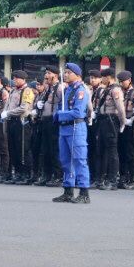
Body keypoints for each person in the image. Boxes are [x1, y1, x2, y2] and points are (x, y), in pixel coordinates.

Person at [53, 63, 91, 204]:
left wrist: (59, 115)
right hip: (65, 129)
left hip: (76, 128)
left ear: (77, 75)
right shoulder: (67, 90)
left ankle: (84, 192)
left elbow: (77, 112)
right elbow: (60, 106)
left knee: (79, 160)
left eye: (69, 72)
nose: (66, 74)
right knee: (65, 161)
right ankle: (68, 190)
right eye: (65, 72)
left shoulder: (81, 90)